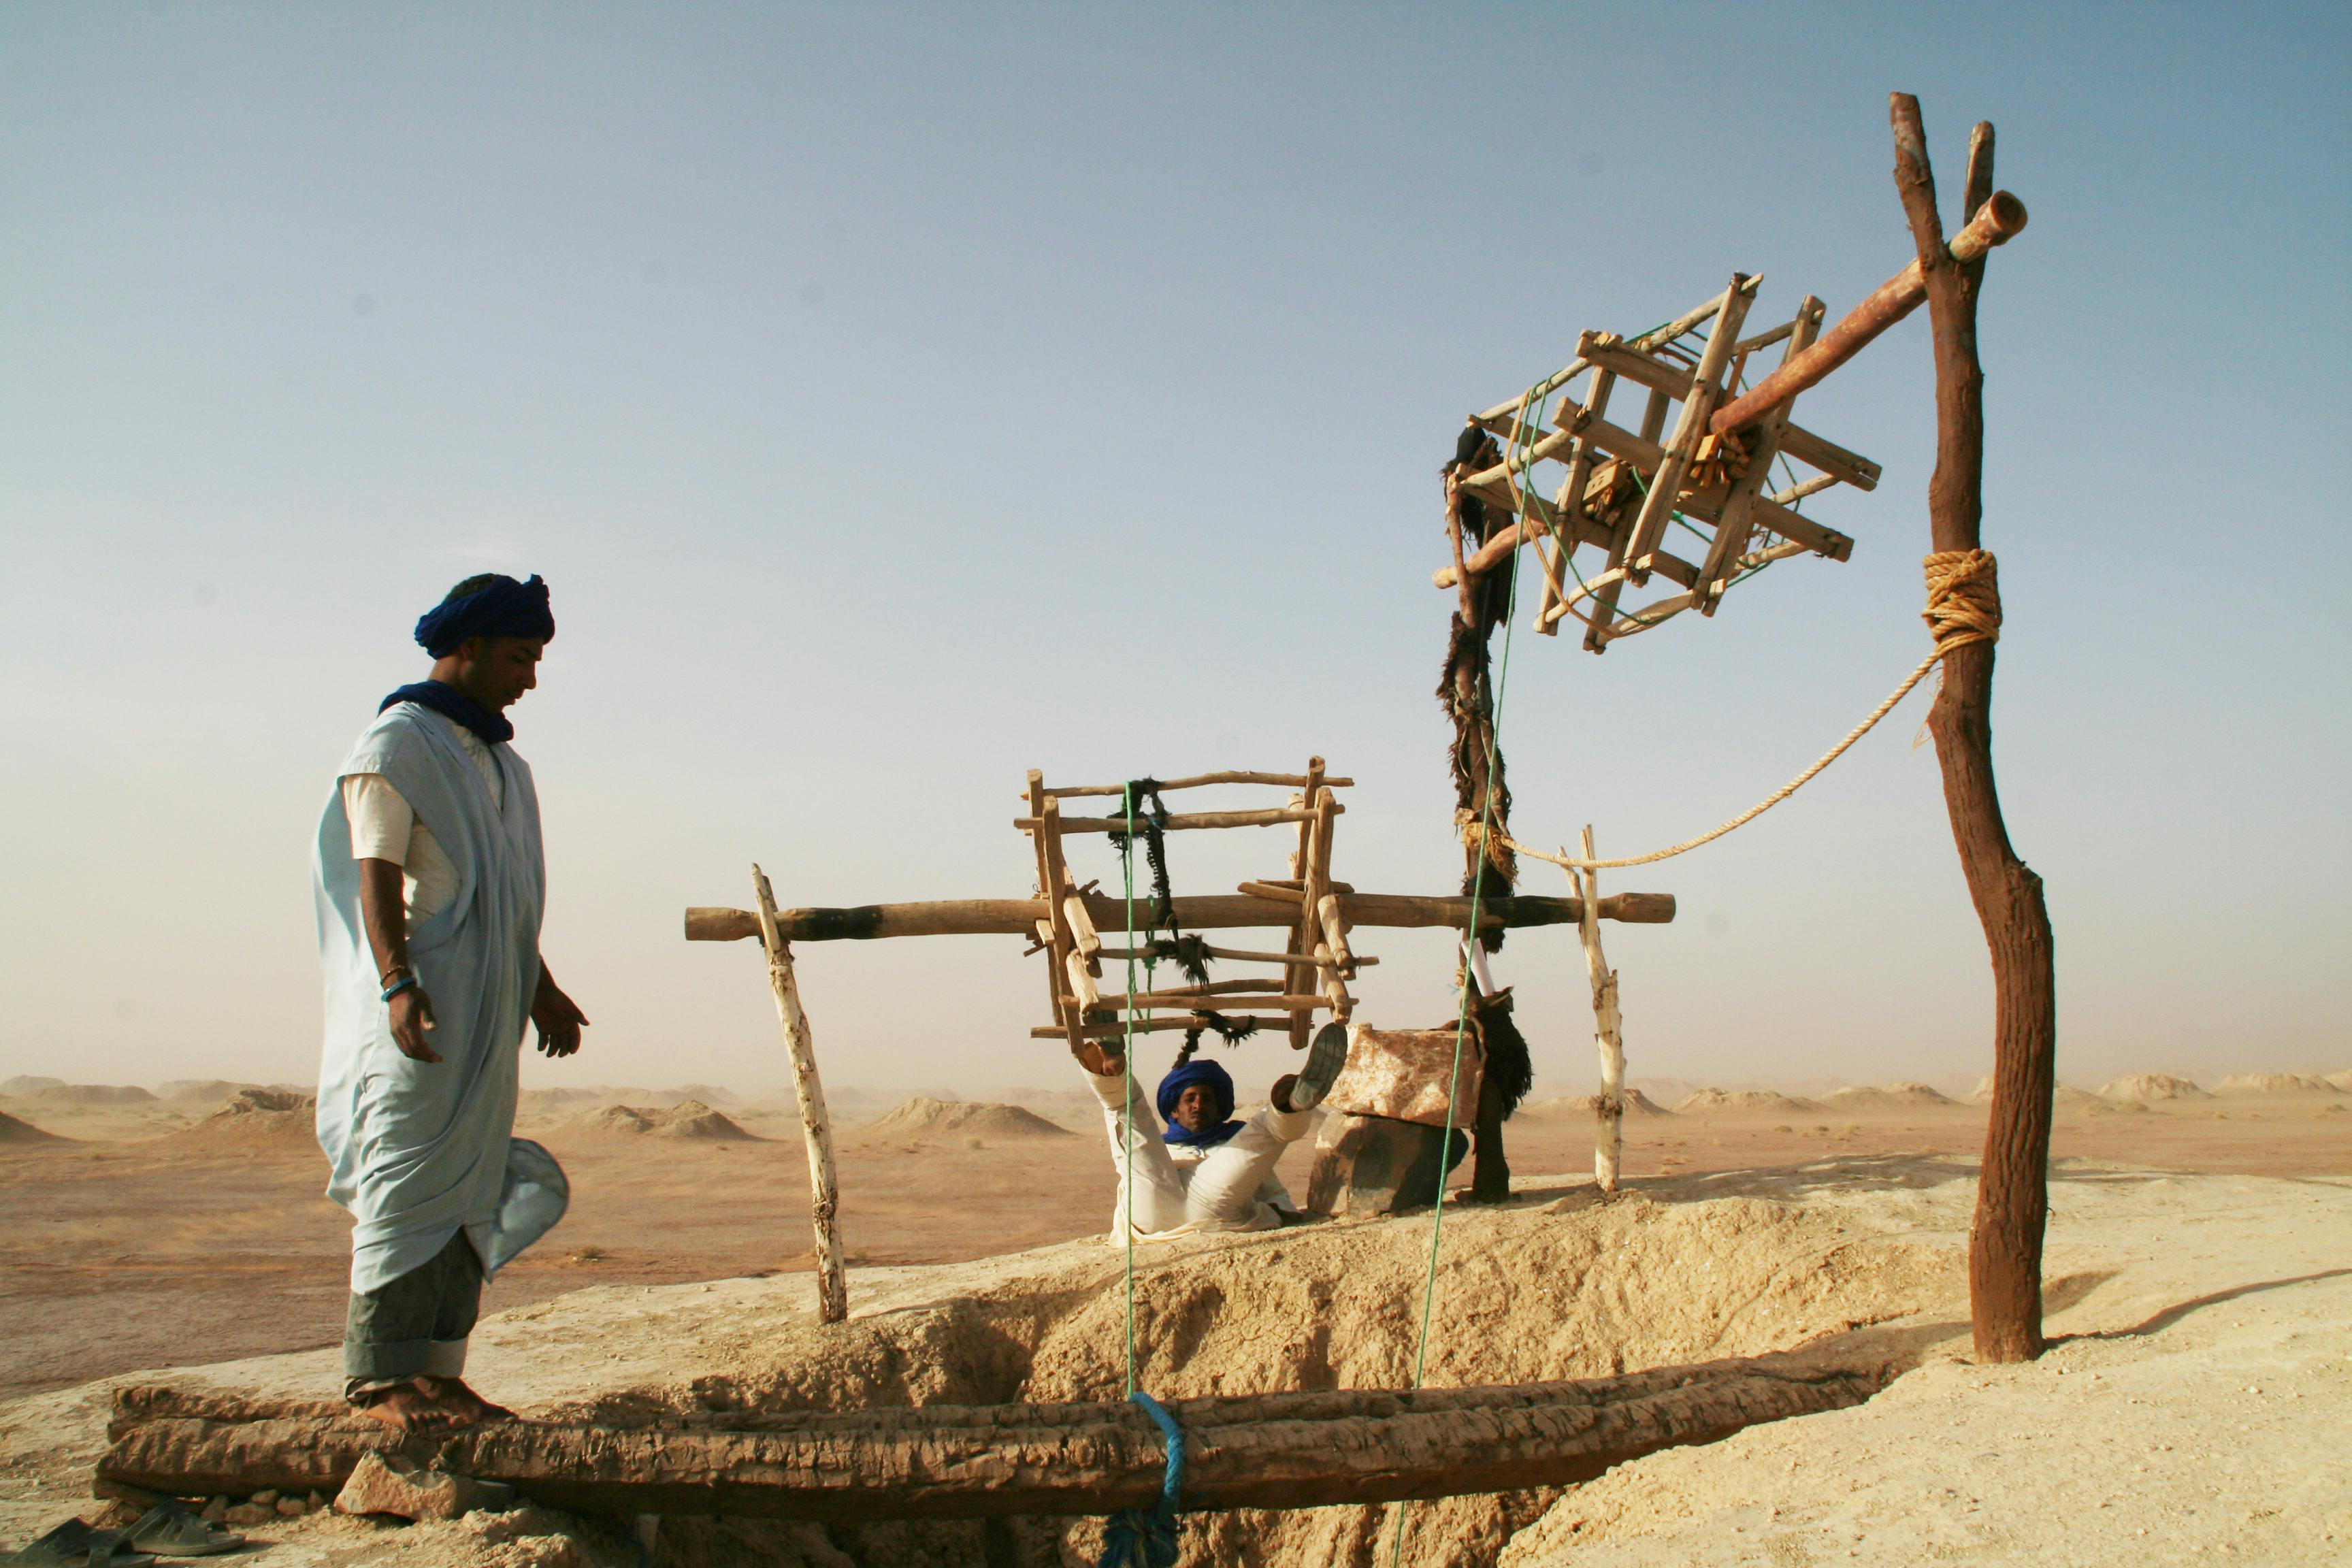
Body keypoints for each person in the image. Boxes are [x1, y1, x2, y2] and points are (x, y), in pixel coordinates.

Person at [312, 572, 589, 1431]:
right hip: (422, 1004)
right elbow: (378, 874)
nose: (530, 678)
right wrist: (398, 983)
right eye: (517, 656)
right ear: (464, 648)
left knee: (467, 1181)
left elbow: (503, 890)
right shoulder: (397, 746)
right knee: (404, 1177)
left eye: (537, 659)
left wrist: (540, 987)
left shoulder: (504, 765)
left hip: (485, 1009)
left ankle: (437, 1369)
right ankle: (379, 1376)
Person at [1077, 1024, 1350, 1236]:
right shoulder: (1159, 1149)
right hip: (1155, 1211)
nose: (1198, 1105)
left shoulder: (1233, 1144)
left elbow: (1272, 1190)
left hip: (1212, 1211)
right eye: (1190, 1099)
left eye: (1207, 1099)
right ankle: (1112, 1070)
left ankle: (1290, 1103)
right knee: (1135, 1132)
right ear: (1175, 1110)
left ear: (1220, 1109)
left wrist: (1283, 1212)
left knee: (1260, 1134)